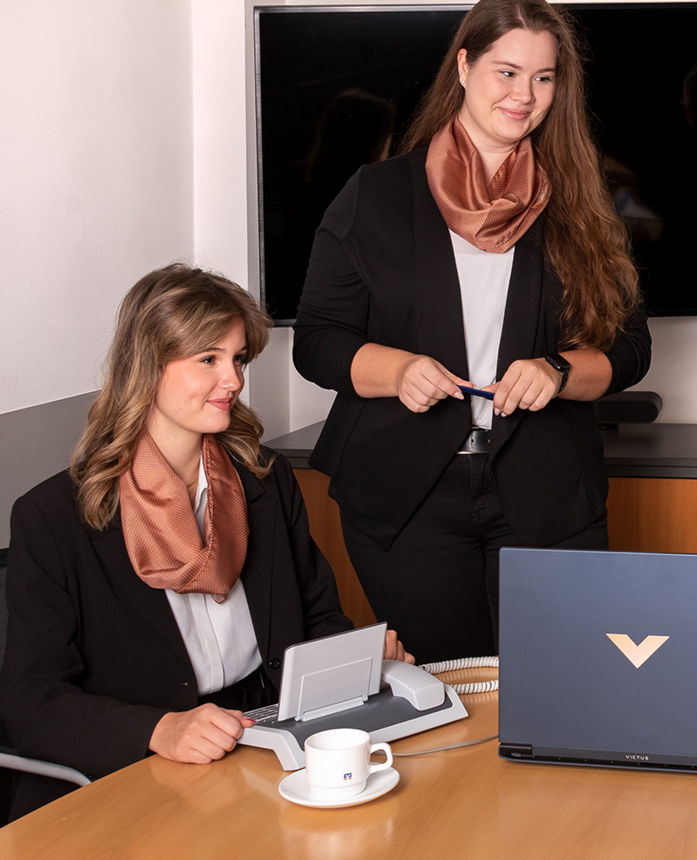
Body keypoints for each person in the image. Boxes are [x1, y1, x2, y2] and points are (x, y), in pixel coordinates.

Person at [293, 0, 651, 661]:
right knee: (446, 698)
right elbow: (316, 339)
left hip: (547, 493)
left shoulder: (577, 200)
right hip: (406, 497)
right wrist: (397, 371)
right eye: (507, 72)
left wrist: (558, 371)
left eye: (544, 78)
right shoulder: (374, 195)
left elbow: (630, 349)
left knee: (557, 685)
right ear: (464, 65)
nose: (525, 95)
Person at [0, 265, 412, 821]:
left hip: (268, 739)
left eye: (238, 359)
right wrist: (158, 729)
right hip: (141, 773)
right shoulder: (53, 518)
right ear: (148, 365)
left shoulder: (263, 481)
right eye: (209, 359)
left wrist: (357, 658)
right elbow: (29, 703)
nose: (235, 381)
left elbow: (319, 619)